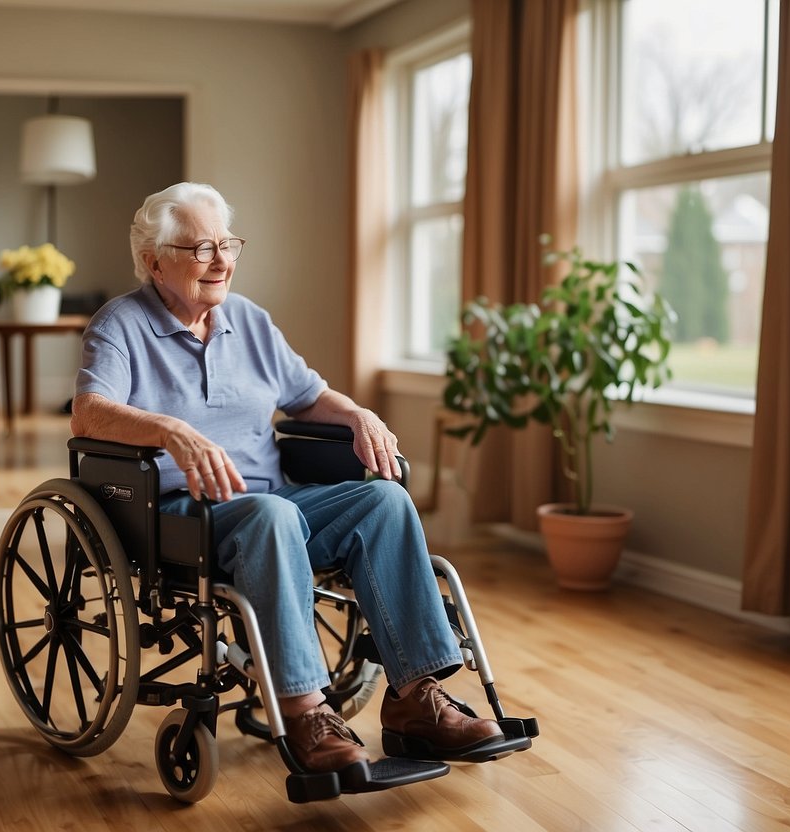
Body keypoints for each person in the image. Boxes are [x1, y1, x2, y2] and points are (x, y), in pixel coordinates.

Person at [71, 182, 504, 776]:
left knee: (385, 500)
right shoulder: (121, 325)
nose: (221, 261)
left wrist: (356, 412)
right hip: (176, 511)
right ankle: (304, 711)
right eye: (201, 249)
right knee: (272, 516)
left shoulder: (247, 320)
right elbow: (89, 414)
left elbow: (306, 396)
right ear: (154, 261)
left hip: (273, 500)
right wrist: (168, 429)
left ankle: (413, 701)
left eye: (227, 244)